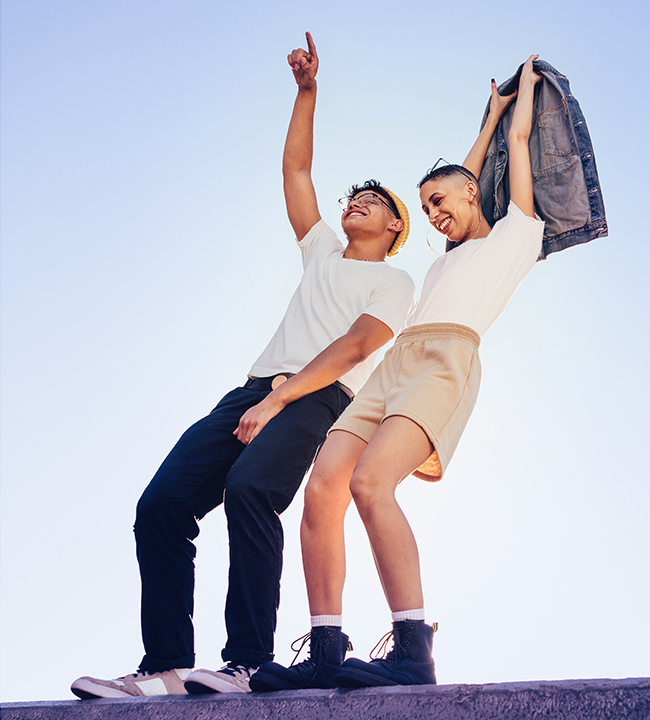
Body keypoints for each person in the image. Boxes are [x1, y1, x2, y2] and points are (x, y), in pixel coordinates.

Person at [70, 32, 417, 699]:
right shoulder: (322, 253)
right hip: (252, 391)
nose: (358, 201)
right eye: (355, 196)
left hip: (316, 399)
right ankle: (167, 664)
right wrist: (308, 93)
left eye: (376, 201)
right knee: (162, 505)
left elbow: (355, 347)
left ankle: (248, 663)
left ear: (396, 228)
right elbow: (296, 174)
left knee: (252, 492)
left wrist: (281, 402)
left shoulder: (394, 282)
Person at [250, 55, 546, 692]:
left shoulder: (516, 236)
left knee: (372, 485)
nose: (433, 215)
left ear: (472, 193)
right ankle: (326, 649)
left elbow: (513, 147)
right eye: (423, 207)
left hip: (443, 362)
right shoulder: (450, 254)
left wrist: (516, 110)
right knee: (325, 486)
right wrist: (487, 114)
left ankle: (414, 651)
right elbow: (463, 175)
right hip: (394, 365)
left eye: (438, 202)